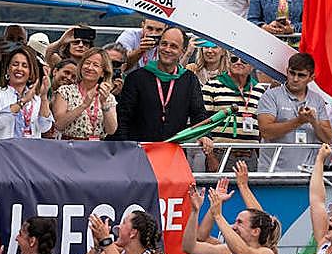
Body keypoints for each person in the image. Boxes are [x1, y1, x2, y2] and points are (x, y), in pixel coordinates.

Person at [114, 27, 213, 159]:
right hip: (139, 154)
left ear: (182, 51)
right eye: (164, 44)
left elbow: (198, 113)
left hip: (173, 154)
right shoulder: (137, 78)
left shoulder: (189, 79)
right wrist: (125, 149)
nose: (167, 49)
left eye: (173, 46)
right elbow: (123, 118)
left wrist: (205, 135)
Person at [182, 179, 278, 254]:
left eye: (240, 223)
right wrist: (195, 212)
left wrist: (218, 216)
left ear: (255, 231)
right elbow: (189, 247)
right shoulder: (228, 253)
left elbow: (242, 253)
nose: (233, 226)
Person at [255, 52, 332, 172]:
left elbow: (328, 139)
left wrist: (314, 122)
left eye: (301, 75)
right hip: (273, 174)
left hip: (307, 174)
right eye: (292, 73)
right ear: (287, 71)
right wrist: (299, 121)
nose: (295, 79)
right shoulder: (270, 95)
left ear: (311, 78)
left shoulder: (317, 100)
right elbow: (266, 132)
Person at [201, 52, 267, 172]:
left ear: (252, 65)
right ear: (228, 62)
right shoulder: (212, 86)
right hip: (220, 154)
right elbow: (203, 124)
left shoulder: (259, 90)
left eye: (244, 61)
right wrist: (210, 157)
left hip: (250, 156)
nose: (238, 62)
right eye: (234, 59)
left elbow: (262, 127)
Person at [0, 47, 52, 139]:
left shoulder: (36, 98)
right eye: (15, 64)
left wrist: (44, 96)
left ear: (30, 72)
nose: (19, 69)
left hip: (30, 151)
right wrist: (23, 102)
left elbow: (44, 127)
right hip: (4, 151)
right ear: (8, 69)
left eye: (25, 66)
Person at [51, 48, 117, 140]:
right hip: (71, 147)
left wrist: (104, 103)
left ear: (103, 73)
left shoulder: (108, 96)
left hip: (97, 149)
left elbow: (111, 130)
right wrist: (84, 105)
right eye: (87, 63)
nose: (89, 67)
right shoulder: (65, 91)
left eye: (95, 65)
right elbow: (59, 125)